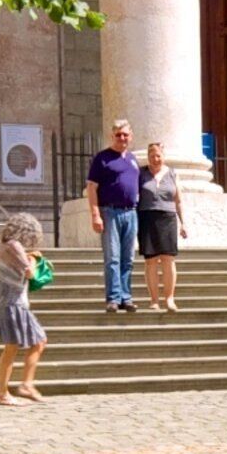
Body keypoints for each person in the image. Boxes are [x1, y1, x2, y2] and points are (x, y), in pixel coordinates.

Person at [85, 119, 143, 312]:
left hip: (131, 212)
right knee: (112, 258)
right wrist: (95, 214)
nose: (122, 138)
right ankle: (113, 298)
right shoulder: (102, 158)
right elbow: (92, 187)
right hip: (109, 212)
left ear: (131, 136)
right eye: (118, 135)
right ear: (112, 136)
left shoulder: (133, 159)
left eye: (125, 134)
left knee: (128, 259)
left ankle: (126, 297)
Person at [0, 216, 49, 403]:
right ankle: (4, 391)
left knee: (37, 341)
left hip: (12, 302)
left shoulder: (6, 246)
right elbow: (30, 272)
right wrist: (33, 258)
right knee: (13, 347)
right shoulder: (13, 247)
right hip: (12, 303)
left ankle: (25, 384)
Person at [137, 139, 184, 311]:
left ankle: (170, 298)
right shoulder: (141, 173)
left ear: (163, 156)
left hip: (168, 217)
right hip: (147, 217)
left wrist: (183, 223)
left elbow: (178, 200)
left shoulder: (173, 173)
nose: (155, 159)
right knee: (150, 261)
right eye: (151, 156)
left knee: (168, 259)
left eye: (158, 155)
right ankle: (154, 300)